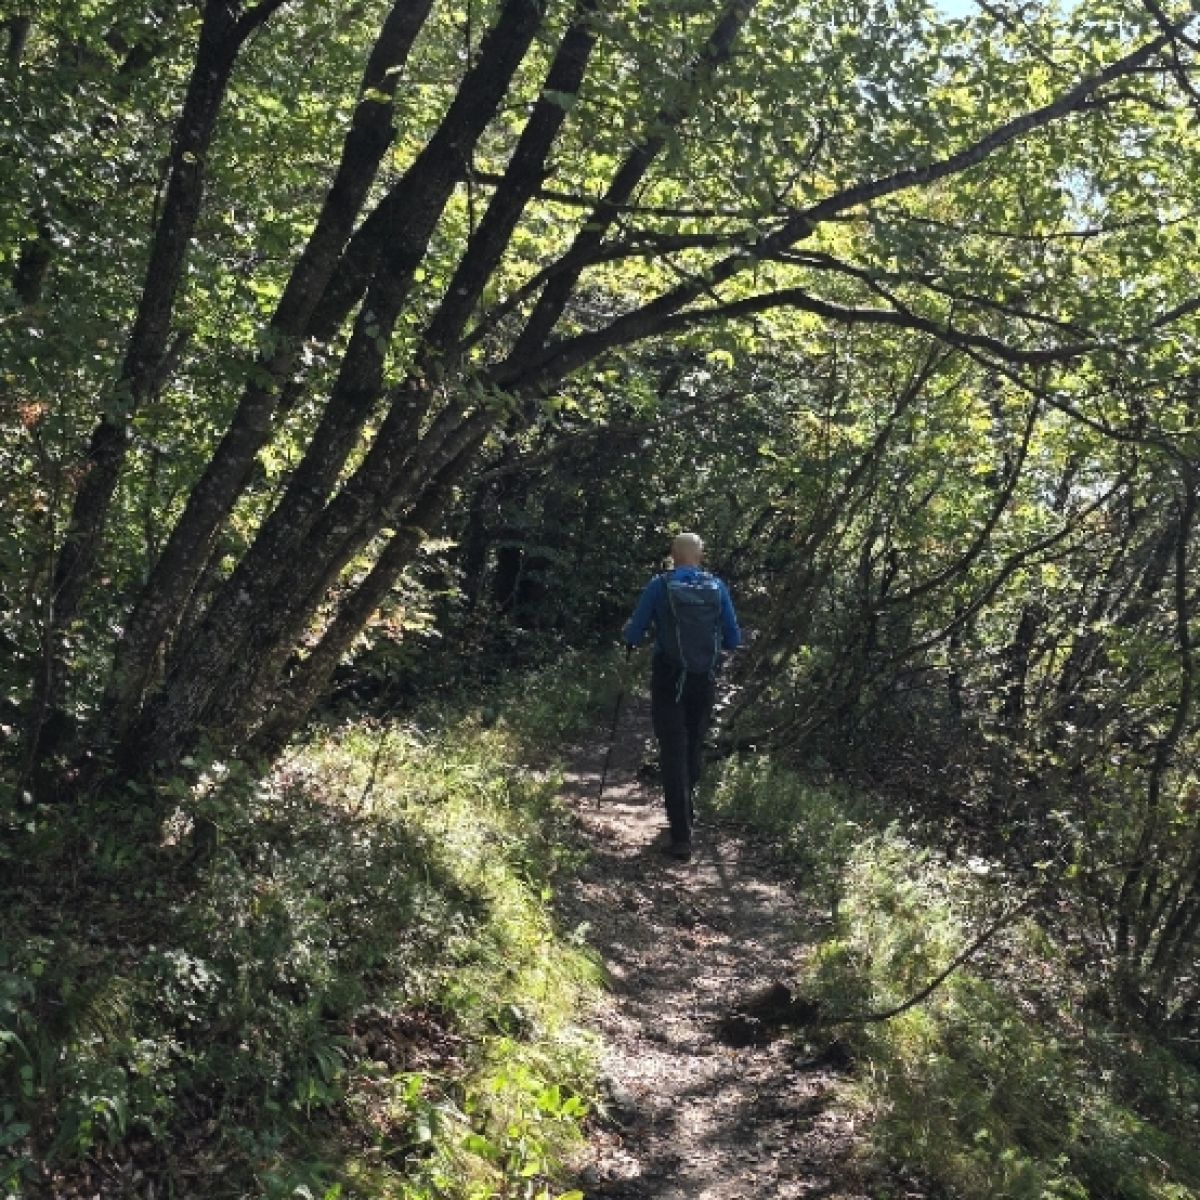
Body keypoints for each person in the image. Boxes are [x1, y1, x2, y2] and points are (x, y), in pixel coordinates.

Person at [623, 532, 740, 860]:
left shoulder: (660, 585)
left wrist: (630, 638)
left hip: (668, 678)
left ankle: (681, 836)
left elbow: (635, 631)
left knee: (672, 750)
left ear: (673, 555)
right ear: (700, 556)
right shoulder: (717, 587)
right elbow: (733, 638)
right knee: (693, 745)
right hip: (704, 679)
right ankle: (686, 814)